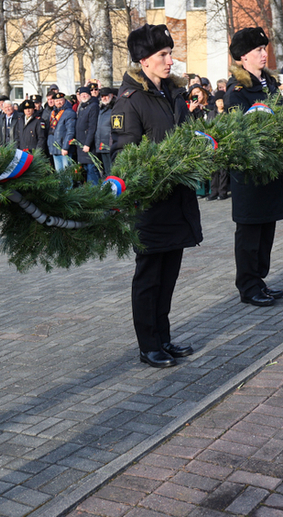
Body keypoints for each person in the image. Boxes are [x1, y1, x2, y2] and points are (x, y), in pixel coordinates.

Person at [110, 23, 202, 368]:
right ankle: (148, 344)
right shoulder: (130, 102)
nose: (170, 60)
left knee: (169, 275)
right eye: (163, 55)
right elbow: (123, 156)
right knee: (149, 277)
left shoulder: (172, 94)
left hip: (177, 201)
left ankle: (163, 337)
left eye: (169, 53)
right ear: (143, 60)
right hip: (150, 205)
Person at [224, 27, 283, 307]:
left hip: (272, 167)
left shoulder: (268, 84)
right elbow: (238, 134)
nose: (264, 54)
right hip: (251, 171)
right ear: (243, 57)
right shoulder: (237, 91)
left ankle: (259, 279)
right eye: (258, 50)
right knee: (250, 233)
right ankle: (248, 285)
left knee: (267, 229)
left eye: (264, 49)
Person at [75, 85, 100, 184]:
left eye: (85, 94)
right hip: (81, 144)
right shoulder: (82, 107)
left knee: (92, 170)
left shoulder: (93, 106)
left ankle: (95, 193)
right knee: (86, 170)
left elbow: (92, 127)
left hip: (89, 145)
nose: (84, 96)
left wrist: (88, 144)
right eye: (82, 94)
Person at [47, 91, 76, 171]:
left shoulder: (69, 113)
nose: (58, 102)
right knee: (59, 175)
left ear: (64, 100)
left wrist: (65, 147)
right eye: (56, 101)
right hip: (54, 147)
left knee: (67, 174)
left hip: (64, 148)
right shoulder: (53, 113)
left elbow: (70, 132)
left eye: (60, 100)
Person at [96, 87, 115, 176]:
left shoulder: (115, 108)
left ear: (111, 95)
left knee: (112, 171)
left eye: (106, 96)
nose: (104, 98)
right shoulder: (101, 109)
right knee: (106, 171)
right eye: (102, 96)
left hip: (110, 144)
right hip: (101, 144)